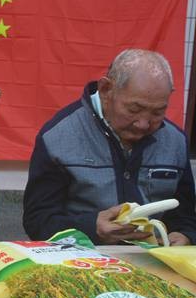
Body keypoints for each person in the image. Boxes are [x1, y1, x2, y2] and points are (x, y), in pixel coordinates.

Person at [23, 49, 196, 245]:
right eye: (134, 109)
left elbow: (186, 216)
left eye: (158, 112)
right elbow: (37, 222)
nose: (144, 124)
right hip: (81, 259)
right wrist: (91, 227)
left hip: (156, 260)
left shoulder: (175, 141)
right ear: (106, 90)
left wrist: (186, 235)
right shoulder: (58, 136)